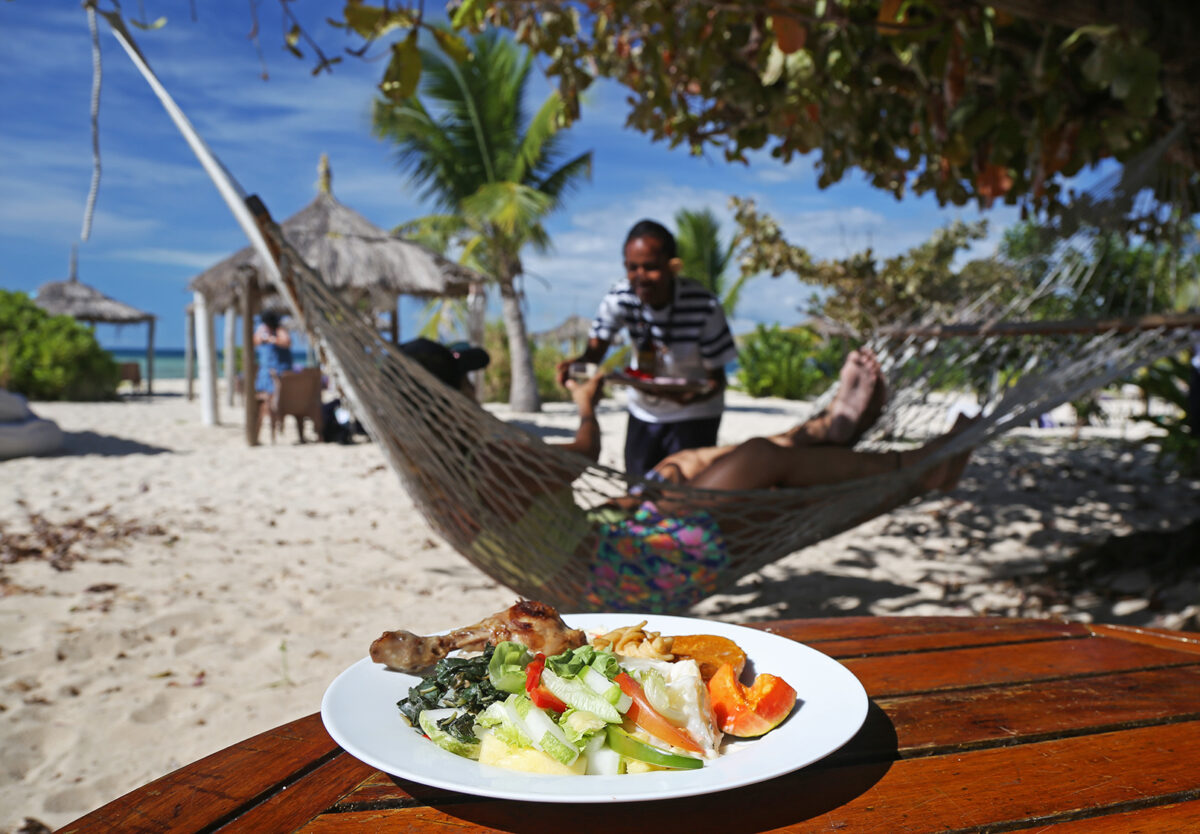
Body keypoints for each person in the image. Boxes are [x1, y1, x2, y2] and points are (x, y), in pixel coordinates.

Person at [405, 339, 973, 612]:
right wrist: (585, 404)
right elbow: (582, 454)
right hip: (619, 575)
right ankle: (916, 468)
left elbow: (546, 509)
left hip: (598, 546)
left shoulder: (440, 470)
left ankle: (831, 431)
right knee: (758, 461)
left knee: (682, 466)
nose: (475, 392)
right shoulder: (489, 460)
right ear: (451, 396)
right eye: (466, 383)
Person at [557, 219, 739, 480]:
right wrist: (574, 366)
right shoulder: (621, 298)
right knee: (638, 490)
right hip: (644, 411)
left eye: (651, 267)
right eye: (633, 268)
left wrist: (689, 398)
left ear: (673, 266)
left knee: (685, 496)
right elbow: (594, 354)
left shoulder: (703, 306)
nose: (641, 277)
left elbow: (716, 381)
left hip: (695, 415)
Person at [253, 310, 294, 394]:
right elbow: (255, 341)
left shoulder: (280, 330)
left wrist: (271, 339)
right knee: (263, 395)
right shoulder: (262, 330)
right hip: (265, 372)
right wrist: (262, 334)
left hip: (280, 372)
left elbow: (287, 342)